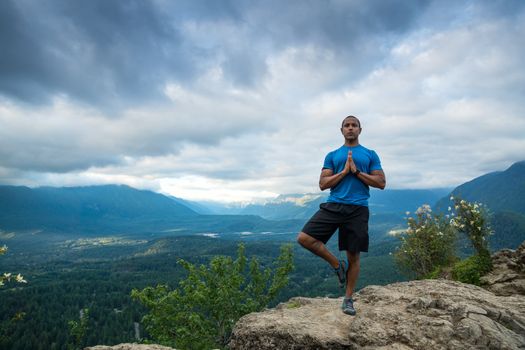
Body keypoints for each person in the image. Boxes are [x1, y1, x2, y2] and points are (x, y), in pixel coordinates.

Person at [297, 115, 386, 315]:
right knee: (305, 238)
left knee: (354, 255)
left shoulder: (370, 154)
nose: (350, 128)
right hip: (334, 205)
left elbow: (381, 182)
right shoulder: (333, 155)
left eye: (354, 125)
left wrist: (357, 172)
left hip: (358, 209)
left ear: (360, 130)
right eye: (347, 125)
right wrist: (344, 172)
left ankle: (348, 299)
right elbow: (323, 184)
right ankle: (337, 264)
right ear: (342, 130)